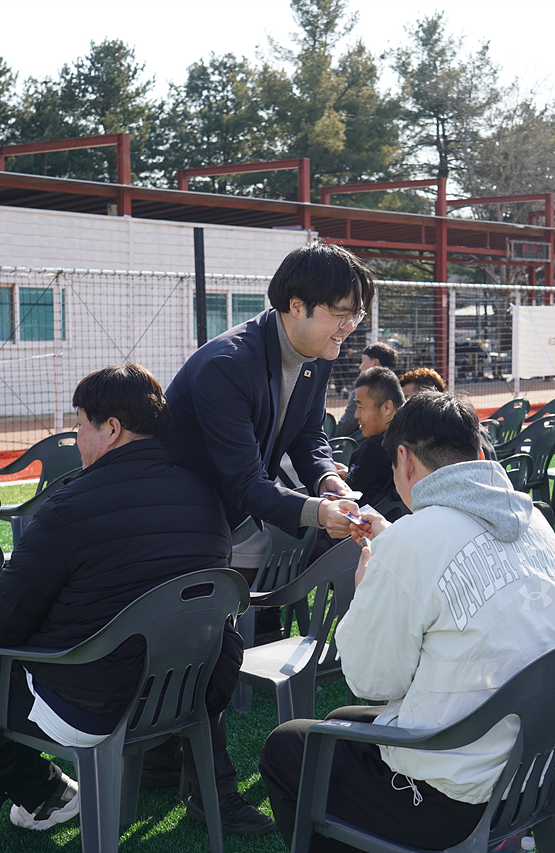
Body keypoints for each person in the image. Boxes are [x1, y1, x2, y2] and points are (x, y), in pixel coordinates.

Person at [0, 364, 242, 842]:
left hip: (90, 706)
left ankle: (42, 790)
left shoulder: (69, 506)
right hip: (183, 698)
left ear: (111, 429)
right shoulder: (207, 496)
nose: (75, 433)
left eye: (80, 422)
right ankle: (9, 790)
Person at [259, 391, 555, 852]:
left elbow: (371, 677)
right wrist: (393, 547)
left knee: (287, 748)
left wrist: (372, 581)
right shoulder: (534, 522)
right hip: (530, 768)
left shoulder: (413, 542)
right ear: (478, 452)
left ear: (404, 460)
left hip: (453, 797)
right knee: (338, 721)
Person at [162, 242, 372, 831]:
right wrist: (318, 514)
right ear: (295, 305)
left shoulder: (314, 350)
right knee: (207, 656)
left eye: (356, 313)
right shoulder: (228, 363)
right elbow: (245, 481)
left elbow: (307, 436)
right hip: (181, 524)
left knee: (206, 656)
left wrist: (330, 481)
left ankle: (167, 763)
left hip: (223, 522)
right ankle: (212, 792)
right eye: (341, 312)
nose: (349, 327)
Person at [346, 366, 404, 509]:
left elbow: (345, 503)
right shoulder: (419, 438)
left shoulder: (374, 448)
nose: (356, 415)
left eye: (361, 407)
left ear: (387, 408)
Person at [334, 342, 397, 437]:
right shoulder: (401, 389)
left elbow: (345, 426)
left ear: (375, 363)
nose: (360, 366)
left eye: (363, 361)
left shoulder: (361, 393)